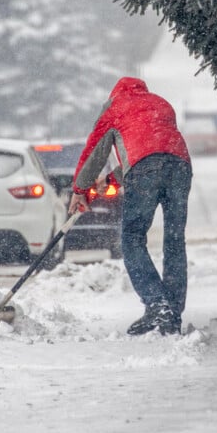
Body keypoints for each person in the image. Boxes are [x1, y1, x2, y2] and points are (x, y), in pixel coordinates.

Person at [69, 76, 192, 335]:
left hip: (145, 171)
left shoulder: (115, 108)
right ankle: (172, 311)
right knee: (174, 239)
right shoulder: (160, 103)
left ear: (115, 94)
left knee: (132, 238)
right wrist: (111, 179)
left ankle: (157, 305)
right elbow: (155, 149)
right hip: (180, 166)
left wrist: (80, 189)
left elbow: (95, 151)